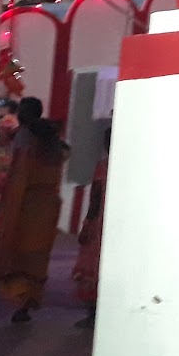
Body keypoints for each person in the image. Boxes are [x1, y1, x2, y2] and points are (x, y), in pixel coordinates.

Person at [0, 97, 69, 323]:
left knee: (16, 249)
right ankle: (28, 302)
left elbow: (19, 175)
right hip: (47, 204)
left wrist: (8, 201)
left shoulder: (25, 137)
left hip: (26, 203)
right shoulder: (54, 140)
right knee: (37, 256)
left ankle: (18, 298)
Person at [71, 129, 111, 330]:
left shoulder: (103, 167)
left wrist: (88, 223)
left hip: (101, 226)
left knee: (92, 267)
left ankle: (93, 313)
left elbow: (95, 199)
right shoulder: (131, 168)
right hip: (119, 227)